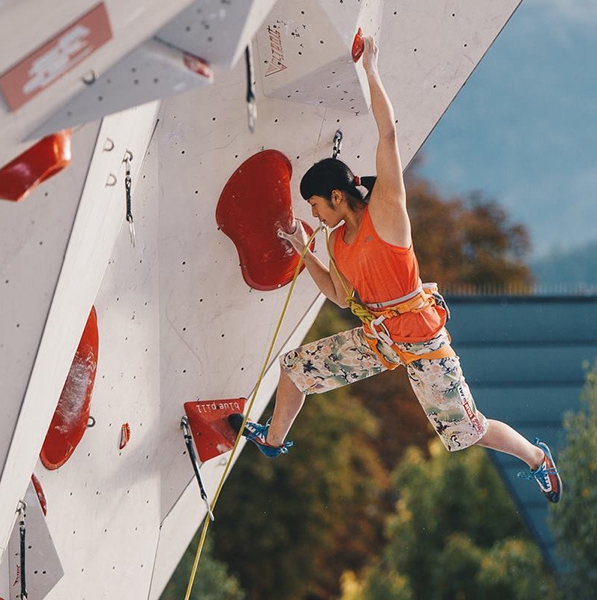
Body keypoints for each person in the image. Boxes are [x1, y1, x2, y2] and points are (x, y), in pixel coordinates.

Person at [233, 36, 561, 503]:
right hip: (380, 338)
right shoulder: (334, 240)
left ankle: (536, 458)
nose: (315, 214)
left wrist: (371, 70)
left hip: (424, 343)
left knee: (466, 431)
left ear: (337, 196)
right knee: (294, 369)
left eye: (315, 205)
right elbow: (336, 293)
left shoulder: (386, 212)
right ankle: (271, 441)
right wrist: (304, 251)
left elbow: (388, 136)